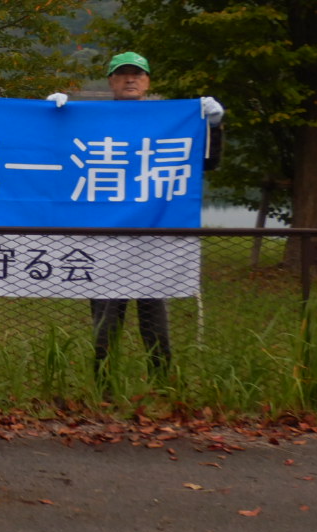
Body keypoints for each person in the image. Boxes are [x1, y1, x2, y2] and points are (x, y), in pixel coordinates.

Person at [49, 51, 223, 377]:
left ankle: (163, 387)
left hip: (152, 243)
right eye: (123, 73)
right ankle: (103, 389)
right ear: (111, 81)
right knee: (105, 328)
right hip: (104, 242)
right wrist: (50, 119)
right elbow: (54, 158)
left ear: (147, 81)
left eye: (137, 74)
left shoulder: (170, 122)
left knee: (156, 327)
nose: (130, 79)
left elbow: (208, 162)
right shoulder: (89, 120)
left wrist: (214, 126)